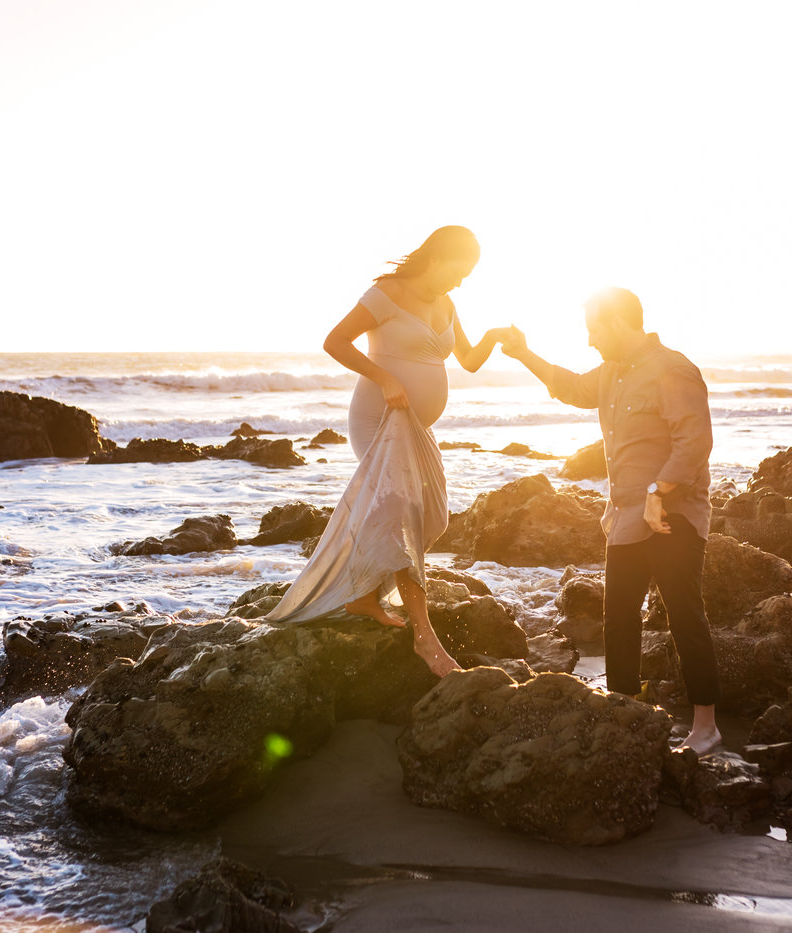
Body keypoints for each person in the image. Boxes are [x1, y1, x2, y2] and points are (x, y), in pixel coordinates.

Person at [264, 226, 511, 678]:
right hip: (379, 418)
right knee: (401, 510)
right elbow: (335, 341)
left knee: (431, 514)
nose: (460, 282)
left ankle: (362, 595)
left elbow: (470, 359)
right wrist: (385, 378)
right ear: (437, 258)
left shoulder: (448, 303)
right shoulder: (385, 293)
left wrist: (495, 335)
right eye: (459, 271)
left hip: (417, 427)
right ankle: (424, 637)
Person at [499, 288, 722, 753]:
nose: (590, 342)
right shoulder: (612, 373)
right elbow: (570, 387)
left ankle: (706, 726)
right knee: (619, 618)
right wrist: (523, 354)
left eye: (595, 330)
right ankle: (626, 710)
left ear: (620, 322)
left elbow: (695, 440)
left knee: (685, 617)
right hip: (624, 517)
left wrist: (659, 493)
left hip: (672, 517)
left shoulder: (673, 370)